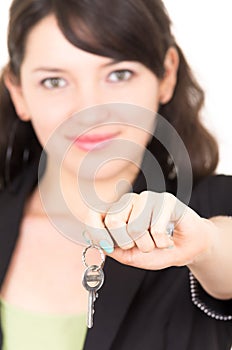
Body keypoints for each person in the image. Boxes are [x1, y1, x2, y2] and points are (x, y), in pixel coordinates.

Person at [0, 0, 231, 349]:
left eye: (119, 74)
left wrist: (207, 243)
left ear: (166, 74)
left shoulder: (211, 207)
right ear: (18, 91)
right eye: (54, 81)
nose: (91, 109)